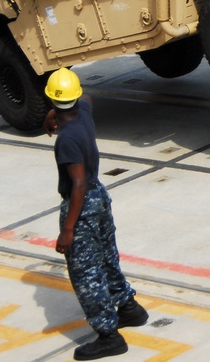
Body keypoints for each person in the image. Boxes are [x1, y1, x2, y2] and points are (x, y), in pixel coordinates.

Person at [44, 68, 149, 360]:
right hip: (100, 196)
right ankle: (128, 307)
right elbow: (87, 97)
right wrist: (55, 116)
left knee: (85, 272)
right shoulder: (83, 114)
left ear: (51, 100)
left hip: (82, 204)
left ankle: (108, 336)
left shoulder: (66, 140)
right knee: (106, 256)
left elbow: (76, 184)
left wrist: (68, 230)